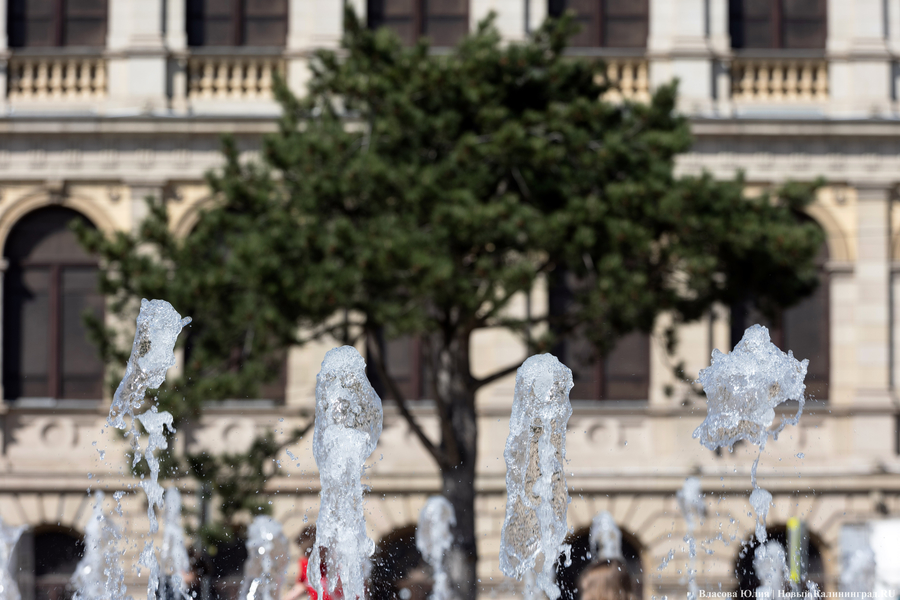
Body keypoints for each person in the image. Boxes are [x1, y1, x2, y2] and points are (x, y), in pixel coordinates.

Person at [283, 526, 343, 600]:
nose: (306, 556)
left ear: (322, 545)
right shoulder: (306, 564)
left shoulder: (337, 563)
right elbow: (302, 585)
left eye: (308, 552)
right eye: (304, 552)